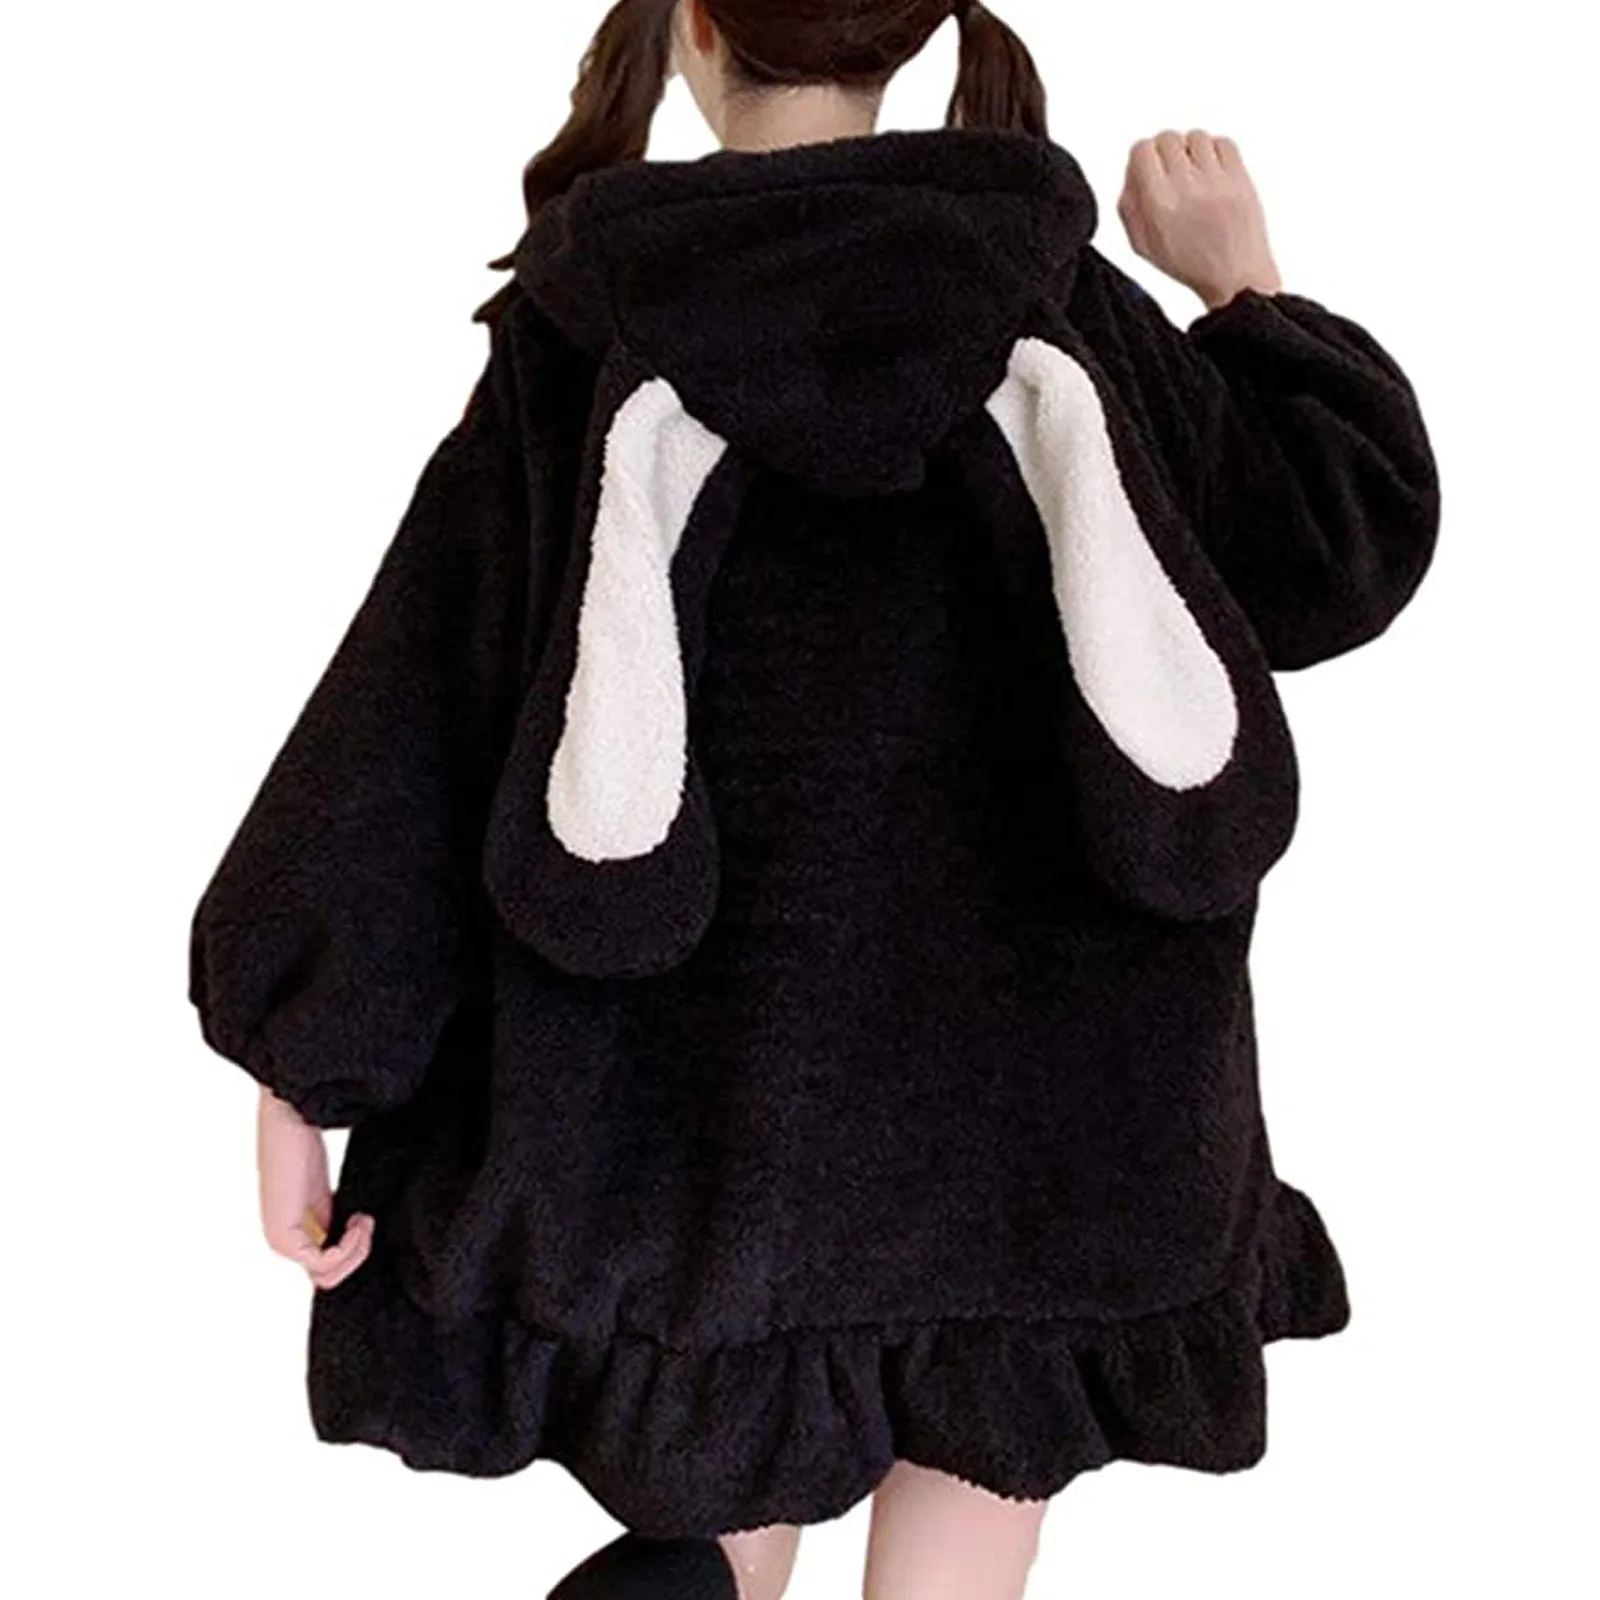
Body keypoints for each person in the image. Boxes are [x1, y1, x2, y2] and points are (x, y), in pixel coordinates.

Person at [188, 2, 1442, 1598]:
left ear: (694, 29)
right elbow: (1330, 549)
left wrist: (304, 1064)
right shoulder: (1066, 312)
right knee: (983, 1455)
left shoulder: (583, 343)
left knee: (718, 1469)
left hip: (699, 1131)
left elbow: (408, 724)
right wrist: (1242, 285)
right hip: (1051, 1132)